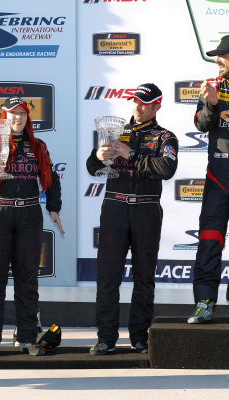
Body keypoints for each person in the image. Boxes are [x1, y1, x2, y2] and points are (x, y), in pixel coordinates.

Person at [86, 83, 178, 355]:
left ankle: (139, 337)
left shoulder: (165, 137)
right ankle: (105, 338)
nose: (137, 107)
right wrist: (97, 155)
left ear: (156, 106)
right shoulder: (116, 132)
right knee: (107, 276)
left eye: (144, 103)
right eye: (135, 102)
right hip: (114, 207)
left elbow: (166, 168)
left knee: (144, 276)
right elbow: (94, 168)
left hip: (146, 209)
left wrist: (132, 154)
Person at [0, 97, 63, 357]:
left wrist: (53, 206)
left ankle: (26, 337)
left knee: (27, 280)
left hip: (29, 214)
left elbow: (51, 179)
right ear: (4, 117)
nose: (18, 118)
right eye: (13, 114)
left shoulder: (38, 145)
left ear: (27, 118)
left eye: (22, 114)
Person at [188, 35, 229, 324]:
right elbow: (202, 124)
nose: (219, 60)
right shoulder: (212, 86)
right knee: (209, 241)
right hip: (219, 178)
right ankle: (204, 303)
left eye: (223, 55)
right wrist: (212, 104)